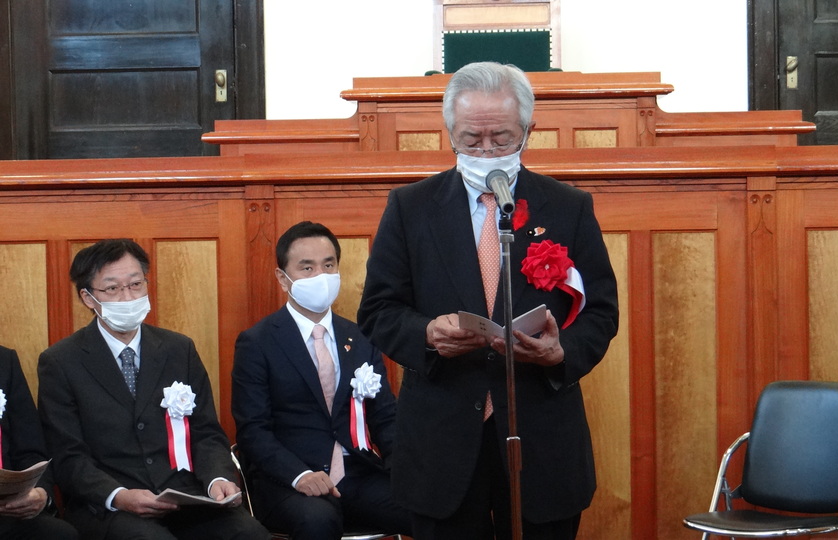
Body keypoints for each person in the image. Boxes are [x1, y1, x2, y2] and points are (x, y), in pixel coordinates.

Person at [357, 61, 619, 540]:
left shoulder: (568, 206)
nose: (484, 150)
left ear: (528, 131)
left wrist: (562, 354)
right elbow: (377, 310)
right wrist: (427, 335)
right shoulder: (410, 207)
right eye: (469, 139)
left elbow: (602, 311)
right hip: (441, 441)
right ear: (449, 131)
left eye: (500, 138)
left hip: (540, 434)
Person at [37, 239, 270, 540]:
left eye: (135, 284)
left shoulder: (178, 349)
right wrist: (118, 495)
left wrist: (218, 478)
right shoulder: (60, 362)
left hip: (186, 498)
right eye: (112, 288)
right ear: (88, 297)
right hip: (110, 506)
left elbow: (206, 432)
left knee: (249, 534)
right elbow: (68, 455)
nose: (127, 296)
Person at [232, 221, 411, 539]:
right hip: (289, 480)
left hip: (357, 472)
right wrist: (298, 474)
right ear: (282, 279)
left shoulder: (359, 337)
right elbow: (253, 431)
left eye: (328, 266)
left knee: (430, 509)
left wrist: (405, 472)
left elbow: (385, 415)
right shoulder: (257, 342)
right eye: (307, 268)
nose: (321, 276)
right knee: (318, 520)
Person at [0, 345, 79, 540]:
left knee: (61, 534)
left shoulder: (4, 360)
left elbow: (29, 449)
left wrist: (39, 492)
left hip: (4, 510)